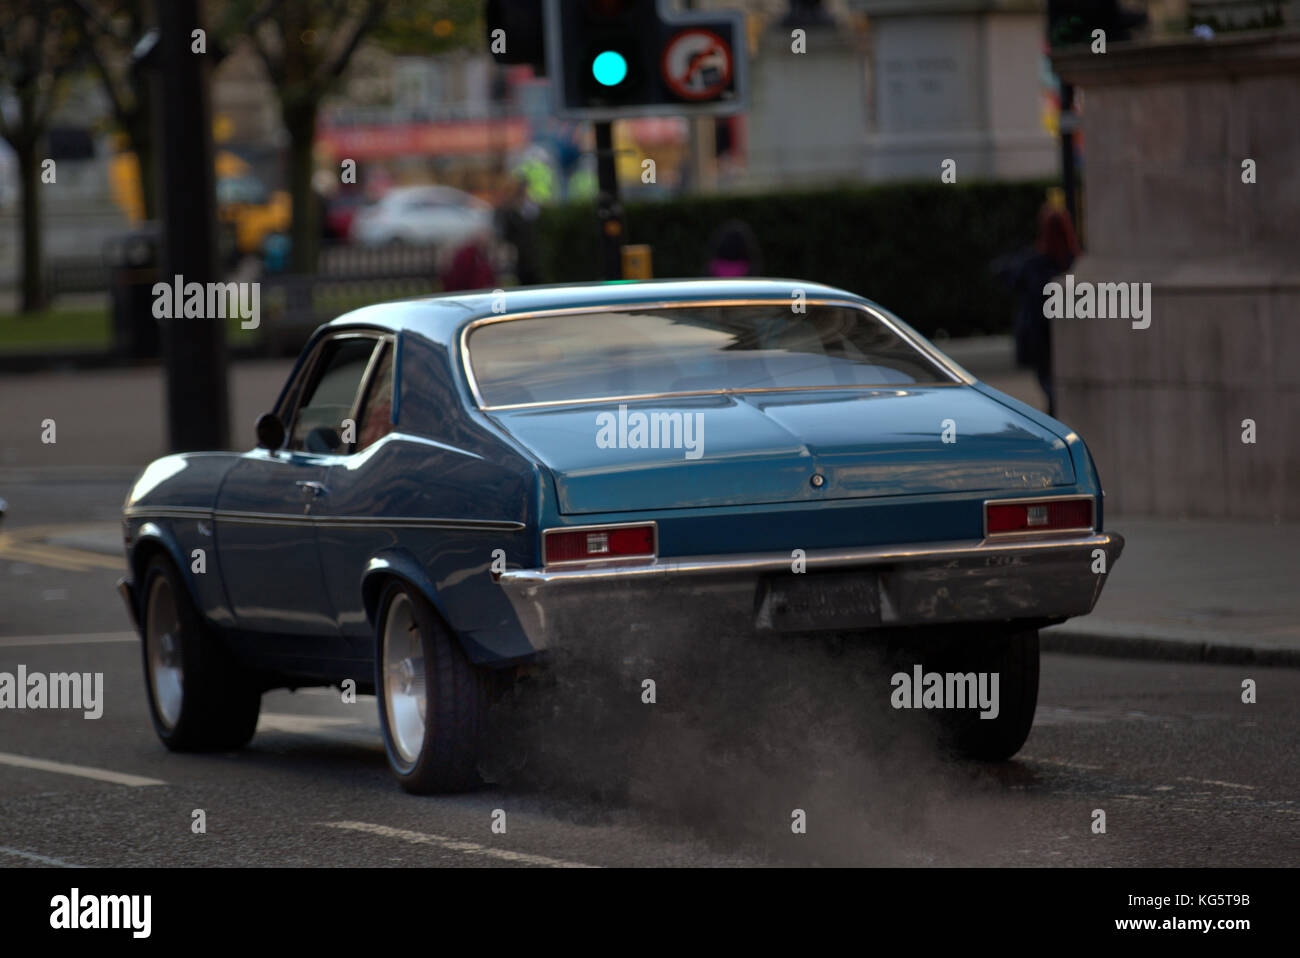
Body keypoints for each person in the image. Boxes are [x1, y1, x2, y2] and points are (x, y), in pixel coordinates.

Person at [992, 203, 1079, 417]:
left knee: (1051, 390)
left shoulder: (1035, 264)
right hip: (1060, 339)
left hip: (1040, 339)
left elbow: (1005, 273)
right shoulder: (1072, 263)